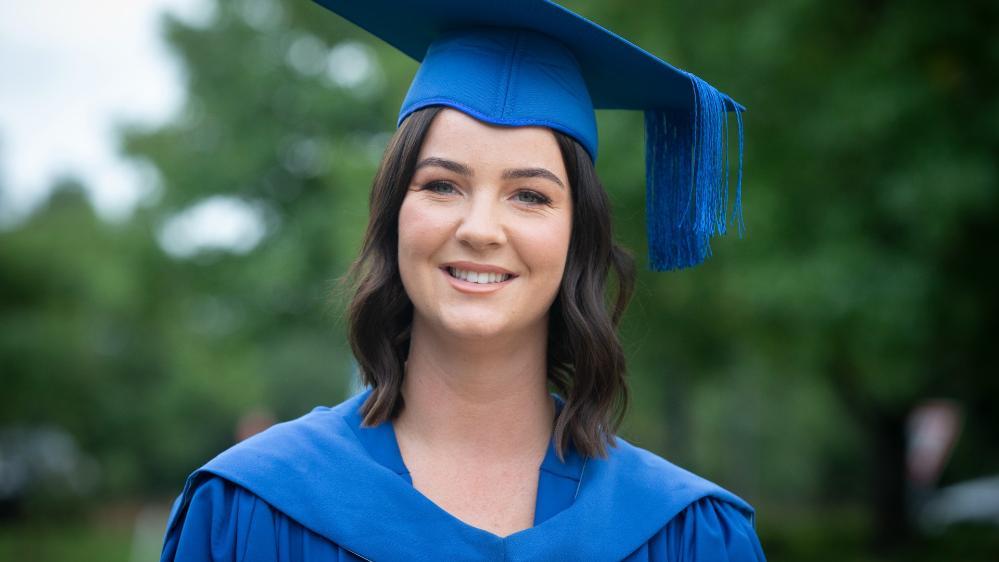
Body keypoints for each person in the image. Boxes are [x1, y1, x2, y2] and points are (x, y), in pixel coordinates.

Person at [161, 1, 764, 560]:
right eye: (442, 185)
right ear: (394, 212)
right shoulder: (251, 510)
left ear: (577, 238)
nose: (480, 229)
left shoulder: (688, 537)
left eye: (529, 196)